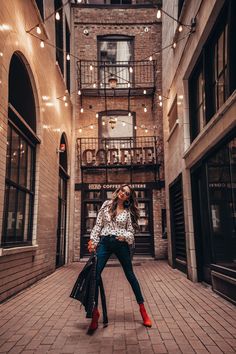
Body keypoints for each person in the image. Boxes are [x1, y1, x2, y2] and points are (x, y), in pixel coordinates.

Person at [87, 184, 152, 332]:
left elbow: (131, 232)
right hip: (104, 242)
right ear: (118, 191)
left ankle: (143, 311)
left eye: (127, 193)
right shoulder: (106, 205)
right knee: (95, 275)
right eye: (122, 190)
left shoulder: (128, 212)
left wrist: (124, 236)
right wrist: (93, 241)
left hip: (120, 244)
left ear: (129, 197)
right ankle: (95, 313)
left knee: (130, 276)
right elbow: (98, 226)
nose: (123, 193)